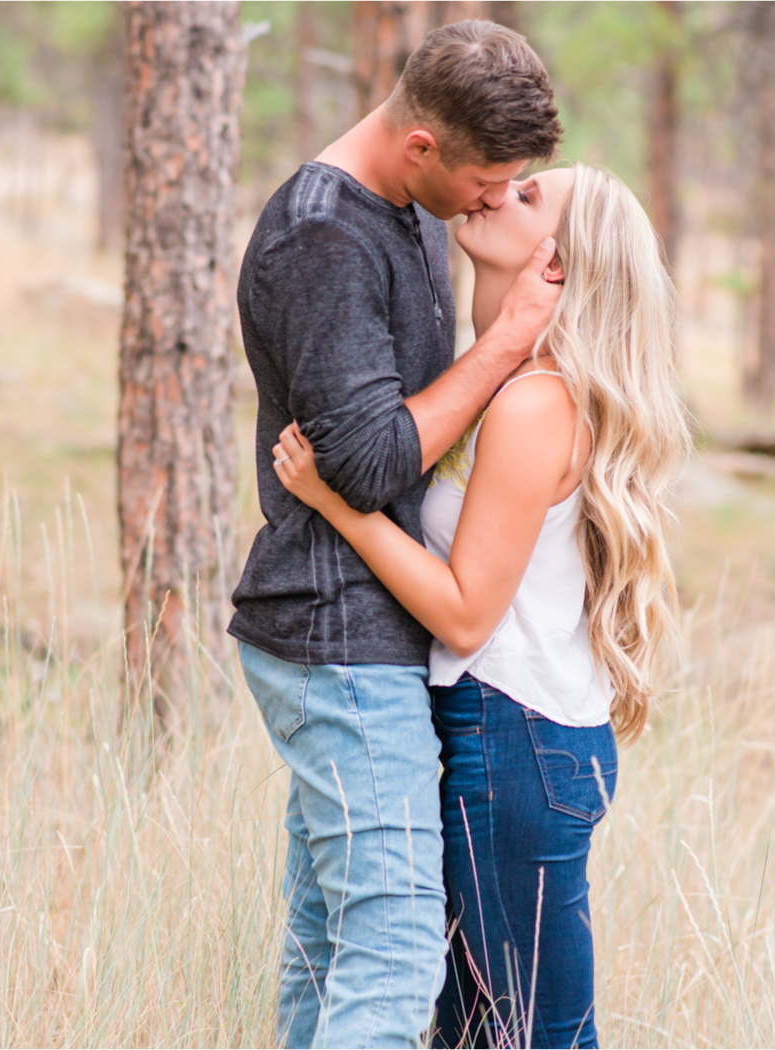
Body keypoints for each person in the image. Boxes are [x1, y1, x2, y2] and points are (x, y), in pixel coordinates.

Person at [273, 162, 691, 1048]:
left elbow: (465, 615)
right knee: (474, 1034)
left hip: (515, 739)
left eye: (530, 196)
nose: (499, 191)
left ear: (559, 265)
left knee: (534, 1037)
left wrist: (335, 502)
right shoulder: (505, 382)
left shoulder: (536, 406)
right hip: (510, 737)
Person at [229, 21, 565, 1050]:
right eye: (488, 181)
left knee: (331, 947)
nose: (495, 202)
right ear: (422, 145)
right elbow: (369, 464)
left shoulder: (414, 211)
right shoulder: (322, 239)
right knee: (395, 948)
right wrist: (507, 343)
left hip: (367, 638)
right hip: (337, 642)